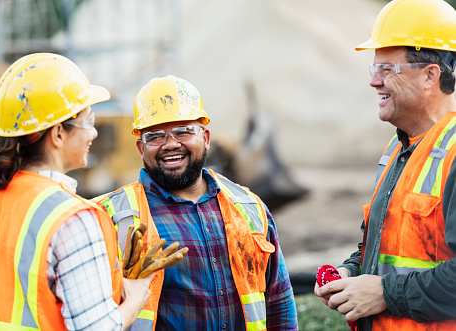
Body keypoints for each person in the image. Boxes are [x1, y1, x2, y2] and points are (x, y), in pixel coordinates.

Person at [0, 53, 153, 331]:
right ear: (58, 133)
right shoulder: (73, 218)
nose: (94, 133)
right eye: (88, 121)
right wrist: (134, 301)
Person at [94, 75, 297, 330]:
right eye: (155, 136)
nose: (171, 144)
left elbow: (278, 300)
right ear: (140, 148)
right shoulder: (111, 217)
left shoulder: (249, 206)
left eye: (183, 131)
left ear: (206, 138)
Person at [314, 0, 456, 330]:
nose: (374, 81)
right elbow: (386, 249)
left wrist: (384, 293)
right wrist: (351, 272)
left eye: (387, 69)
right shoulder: (398, 146)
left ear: (430, 76)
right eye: (373, 69)